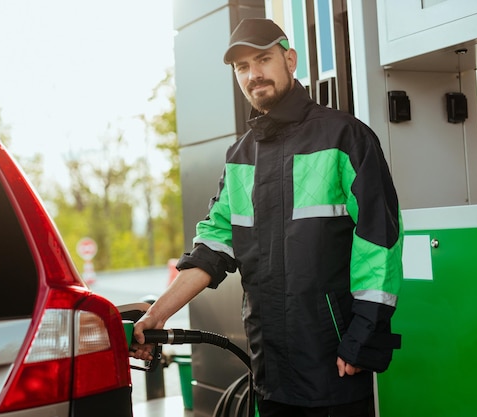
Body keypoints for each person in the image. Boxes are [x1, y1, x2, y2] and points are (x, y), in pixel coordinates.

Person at [130, 18, 403, 417]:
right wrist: (154, 317)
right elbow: (210, 249)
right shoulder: (241, 157)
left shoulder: (345, 137)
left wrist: (363, 338)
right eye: (242, 66)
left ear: (289, 60)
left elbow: (380, 245)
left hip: (334, 365)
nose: (254, 74)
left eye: (263, 59)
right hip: (269, 369)